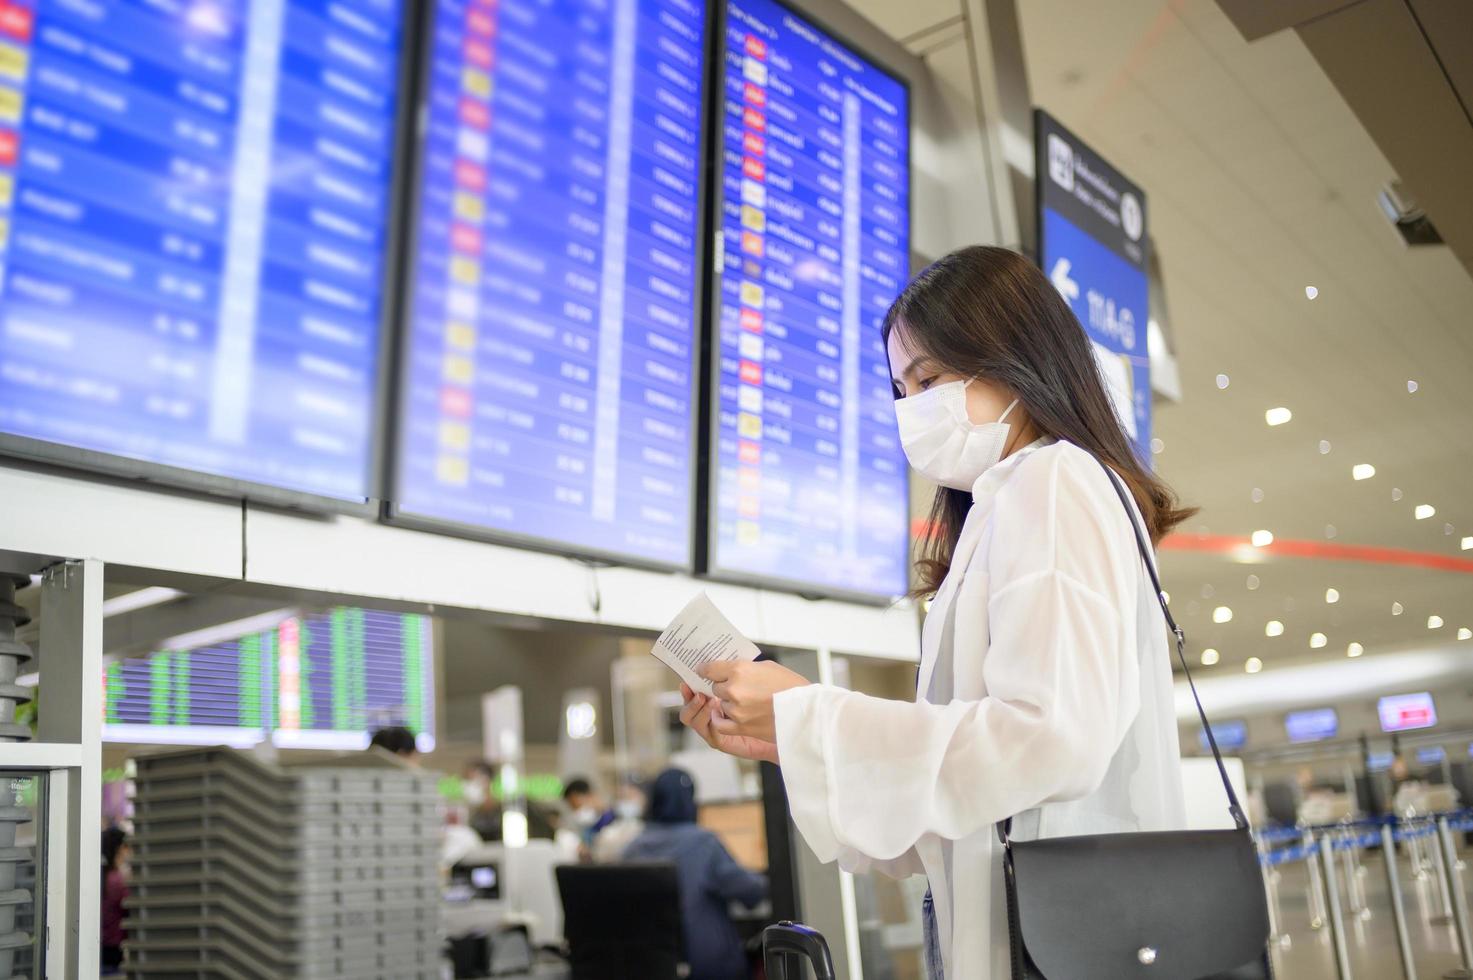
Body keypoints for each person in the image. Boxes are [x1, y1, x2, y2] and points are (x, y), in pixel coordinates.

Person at [679, 246, 1193, 978]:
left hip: (1058, 936)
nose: (912, 409)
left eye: (929, 379)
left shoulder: (1052, 480)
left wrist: (807, 715)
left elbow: (1052, 737)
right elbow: (955, 811)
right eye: (899, 388)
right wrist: (785, 740)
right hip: (1029, 923)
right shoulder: (1005, 502)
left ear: (1013, 357)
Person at [621, 769, 766, 980]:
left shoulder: (632, 849)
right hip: (708, 967)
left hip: (651, 967)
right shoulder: (703, 843)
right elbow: (751, 892)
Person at [101, 826, 130, 973]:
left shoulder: (103, 877)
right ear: (119, 848)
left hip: (101, 949)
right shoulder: (117, 880)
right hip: (114, 952)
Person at [561, 777, 615, 848]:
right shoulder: (589, 828)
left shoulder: (613, 819)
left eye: (576, 806)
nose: (575, 811)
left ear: (589, 796)